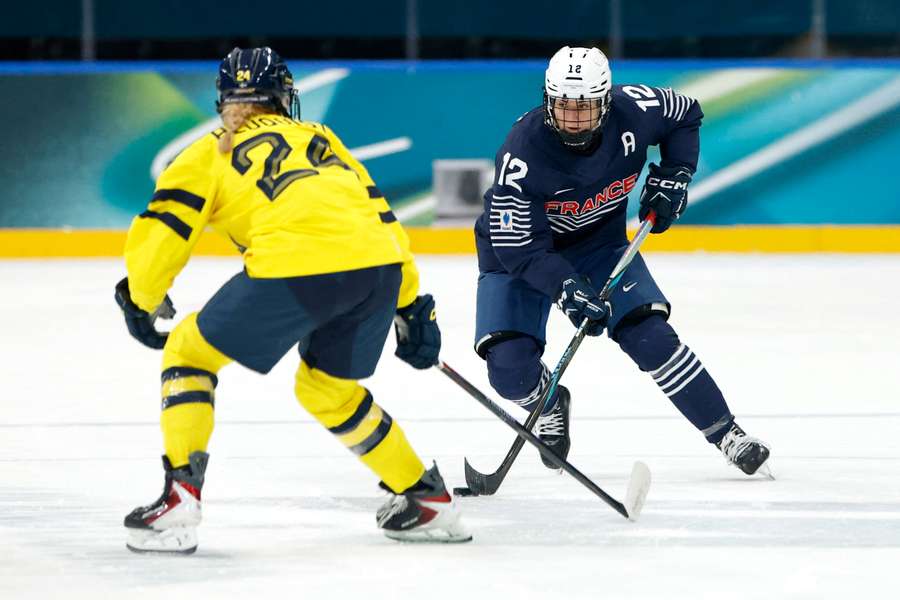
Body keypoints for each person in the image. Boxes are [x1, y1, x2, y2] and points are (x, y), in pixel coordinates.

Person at [114, 47, 471, 553]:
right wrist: (412, 305)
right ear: (284, 96)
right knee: (327, 389)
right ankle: (426, 498)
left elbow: (164, 229)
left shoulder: (207, 152)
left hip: (296, 265)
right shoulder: (322, 139)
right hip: (379, 268)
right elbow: (381, 217)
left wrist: (141, 296)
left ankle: (179, 499)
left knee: (188, 353)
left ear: (224, 100)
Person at [473, 46, 771, 477]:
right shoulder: (521, 154)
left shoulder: (636, 110)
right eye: (564, 107)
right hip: (519, 257)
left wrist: (675, 174)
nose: (574, 120)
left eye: (586, 108)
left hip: (599, 245)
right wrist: (566, 289)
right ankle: (548, 399)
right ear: (547, 99)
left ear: (608, 100)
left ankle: (728, 433)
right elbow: (520, 247)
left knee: (650, 337)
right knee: (509, 372)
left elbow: (687, 113)